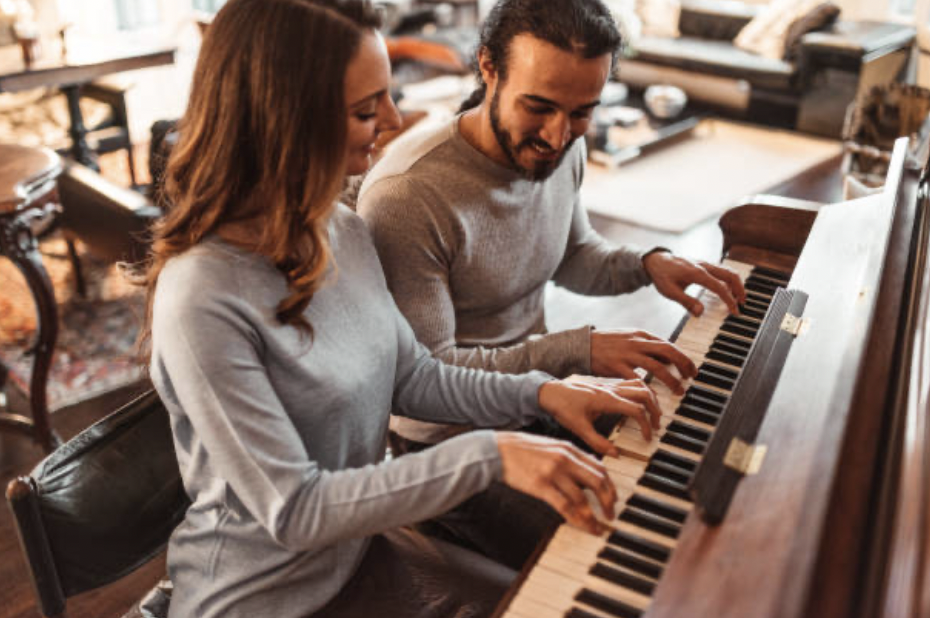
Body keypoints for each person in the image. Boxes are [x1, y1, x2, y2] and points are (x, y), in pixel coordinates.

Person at [139, 1, 664, 617]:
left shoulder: (339, 229)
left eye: (387, 97)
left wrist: (544, 392)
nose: (392, 120)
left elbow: (414, 376)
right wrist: (488, 455)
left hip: (359, 556)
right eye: (366, 109)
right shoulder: (200, 297)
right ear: (286, 121)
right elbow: (295, 510)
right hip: (260, 599)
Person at [356, 0, 747, 569]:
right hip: (451, 443)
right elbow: (427, 375)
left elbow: (574, 255)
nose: (559, 136)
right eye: (538, 107)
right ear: (488, 67)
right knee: (620, 553)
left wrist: (649, 263)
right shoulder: (408, 196)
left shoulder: (562, 143)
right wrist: (574, 352)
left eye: (582, 112)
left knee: (685, 470)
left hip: (542, 395)